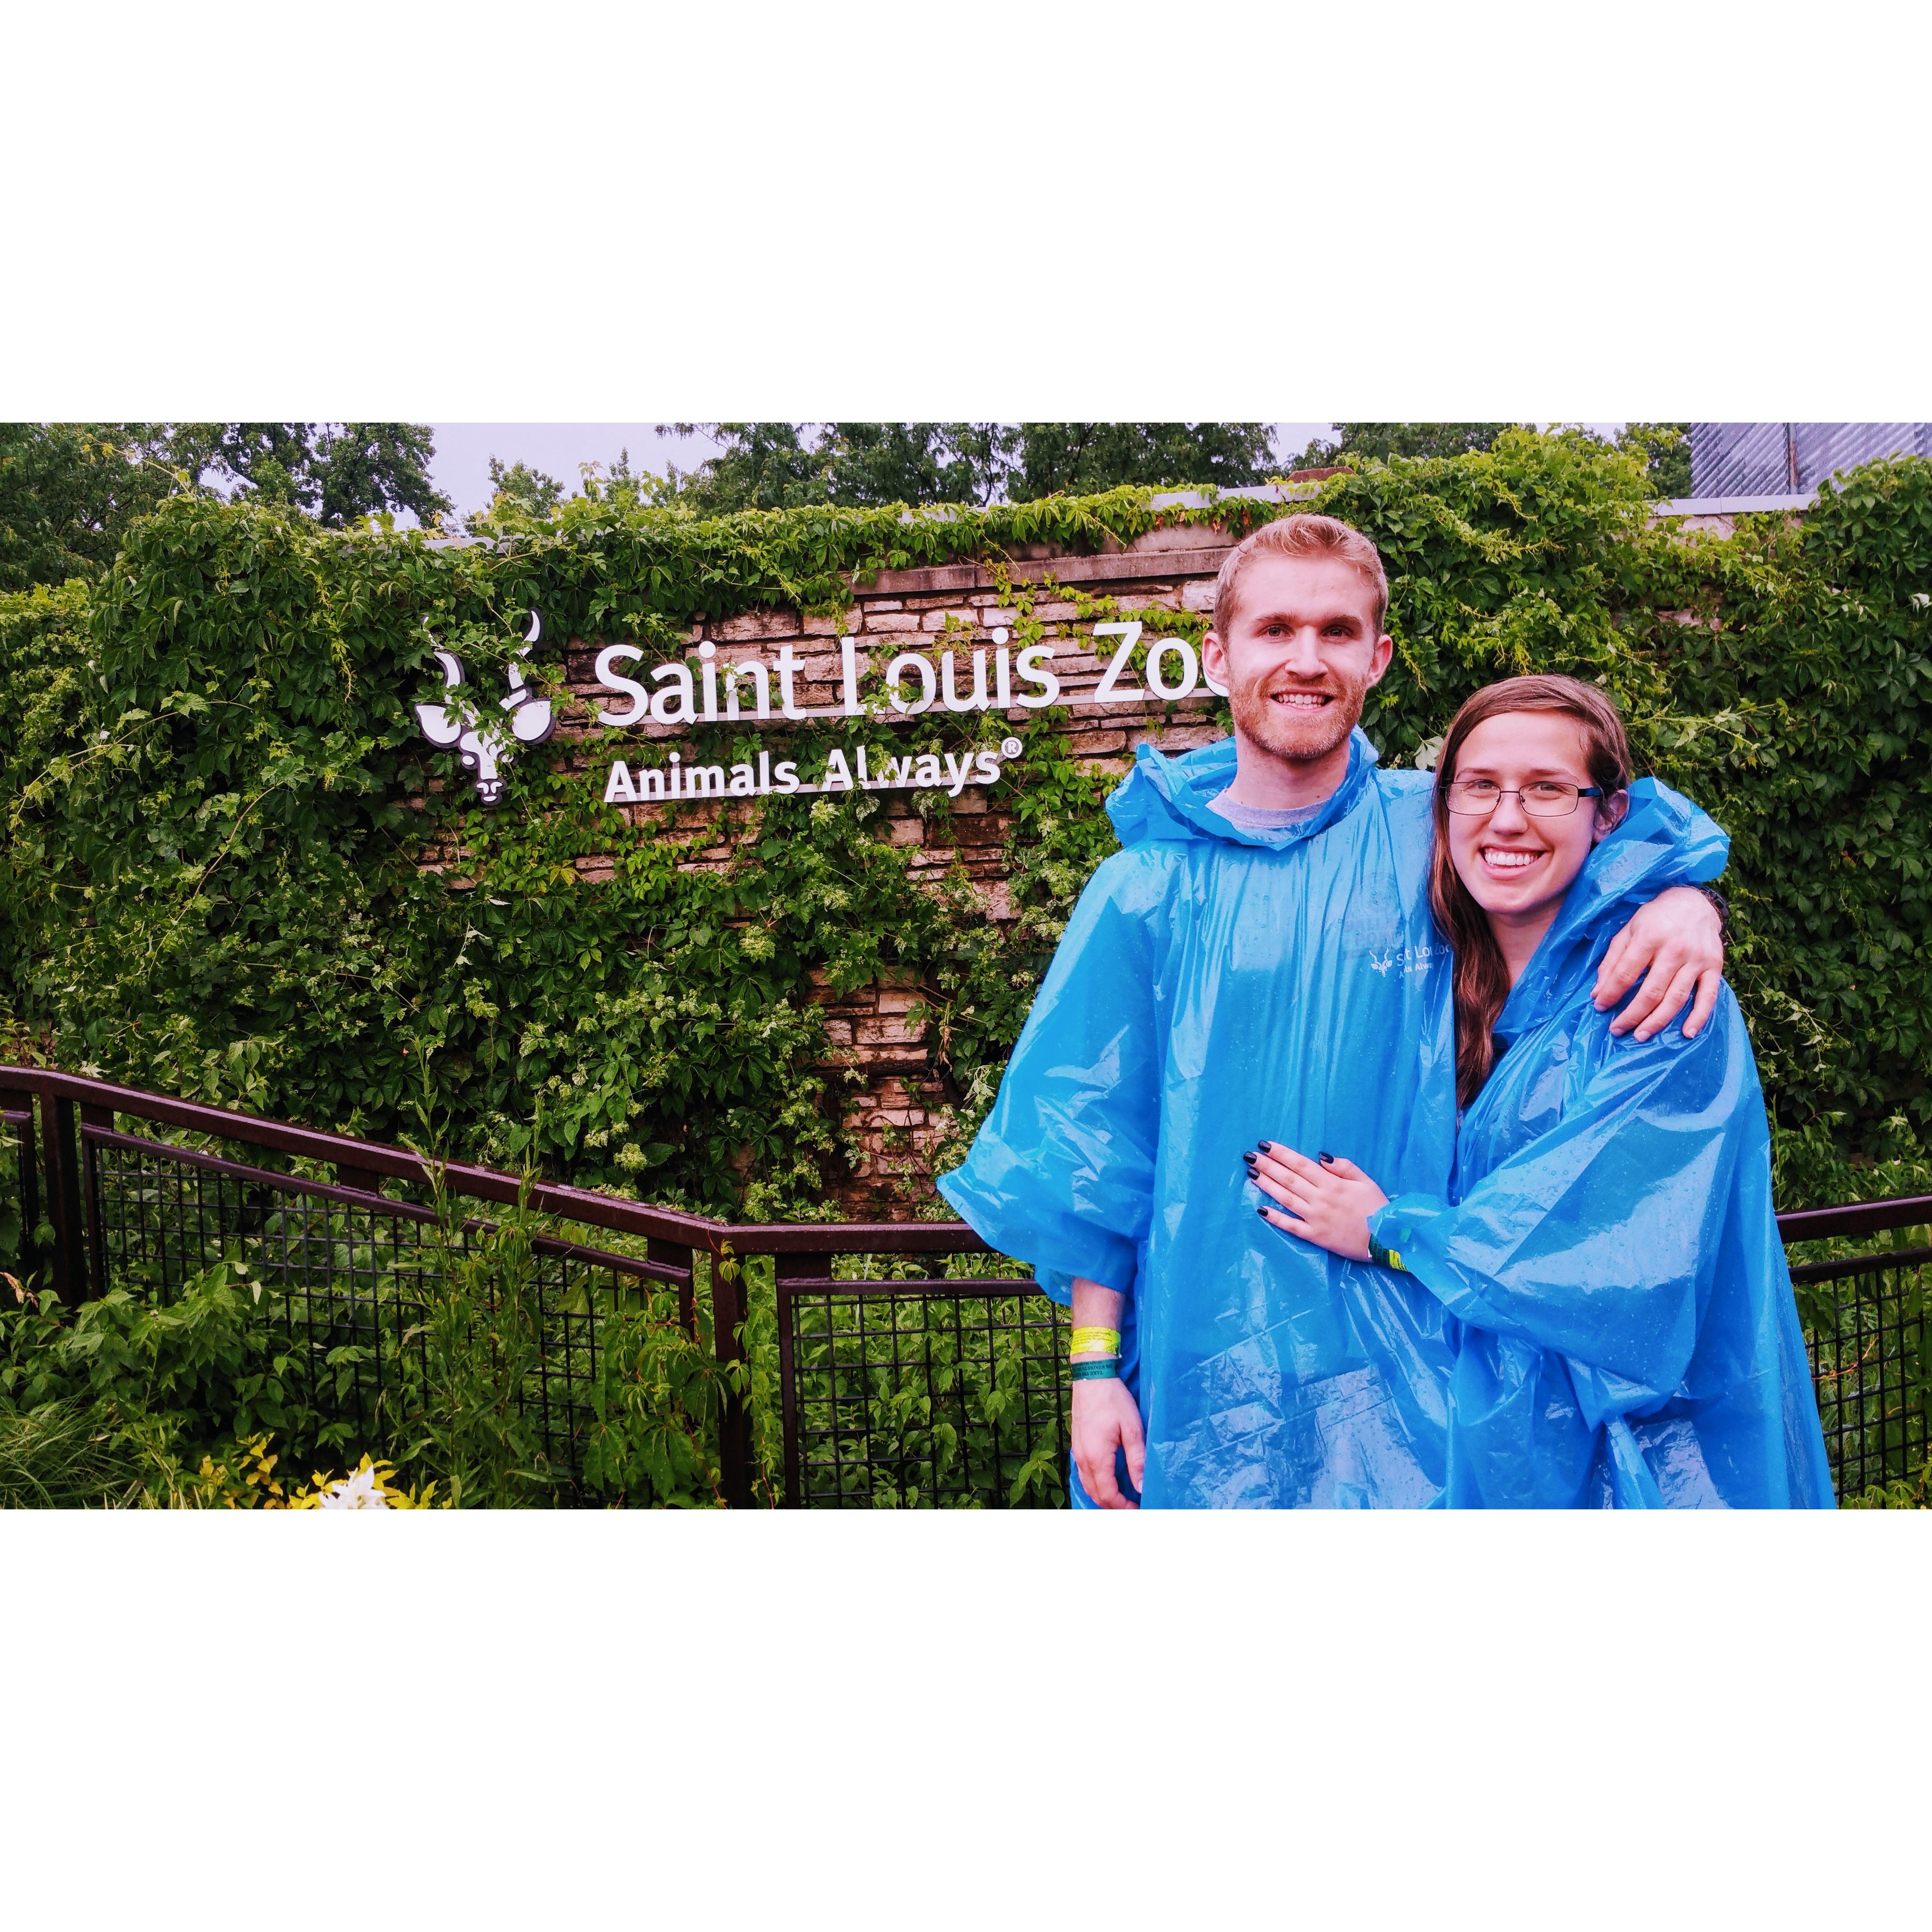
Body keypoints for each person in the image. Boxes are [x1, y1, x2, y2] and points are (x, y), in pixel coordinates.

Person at [937, 514, 1728, 1508]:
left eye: (1337, 631)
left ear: (1376, 658)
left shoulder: (1442, 828)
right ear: (1218, 657)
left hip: (1434, 1367)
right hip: (1211, 1381)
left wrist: (1684, 901)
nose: (1306, 659)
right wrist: (1094, 1372)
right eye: (1275, 629)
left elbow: (1596, 841)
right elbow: (1093, 1148)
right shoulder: (1142, 891)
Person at [1248, 675, 1834, 1507]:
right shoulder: (1427, 978)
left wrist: (1385, 1230)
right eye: (1480, 785)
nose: (1507, 818)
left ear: (1610, 813)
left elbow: (1613, 1266)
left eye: (1548, 789)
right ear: (1440, 807)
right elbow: (1262, 791)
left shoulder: (1658, 1000)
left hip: (1644, 1458)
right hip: (1472, 1440)